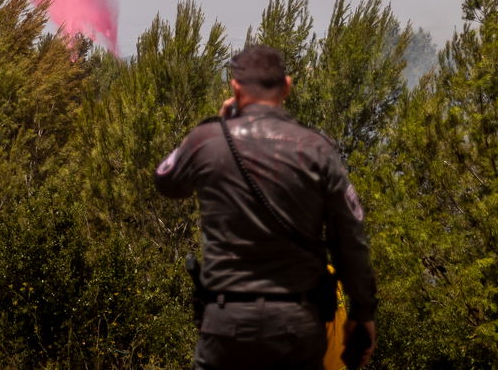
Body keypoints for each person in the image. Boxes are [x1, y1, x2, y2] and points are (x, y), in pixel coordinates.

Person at [155, 45, 378, 370]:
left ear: (235, 89)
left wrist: (216, 123)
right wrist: (362, 314)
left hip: (226, 324)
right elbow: (350, 240)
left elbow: (166, 180)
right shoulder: (317, 149)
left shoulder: (207, 141)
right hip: (296, 326)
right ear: (286, 86)